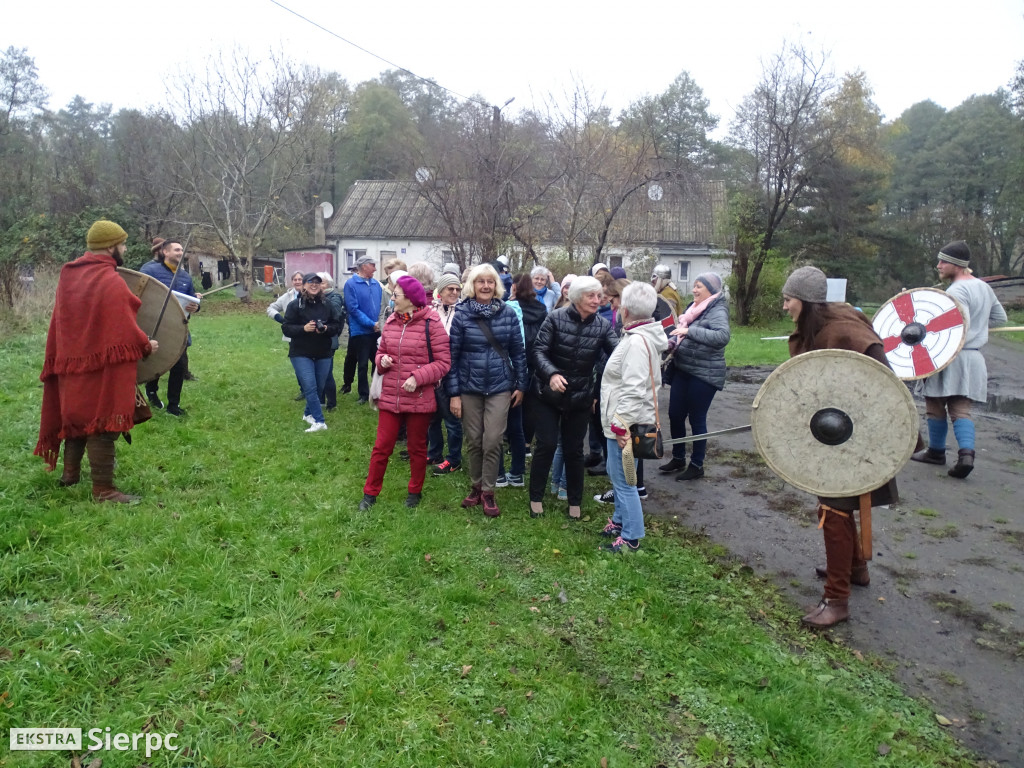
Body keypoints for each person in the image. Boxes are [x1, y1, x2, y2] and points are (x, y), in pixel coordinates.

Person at [782, 265, 897, 627]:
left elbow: (883, 385)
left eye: (788, 300)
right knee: (839, 504)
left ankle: (837, 600)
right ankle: (855, 568)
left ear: (806, 301)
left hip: (861, 438)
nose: (785, 307)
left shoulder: (844, 330)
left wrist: (874, 434)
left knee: (834, 510)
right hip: (835, 435)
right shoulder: (823, 326)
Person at [34, 220, 159, 503]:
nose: (125, 248)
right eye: (123, 244)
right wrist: (145, 346)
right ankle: (104, 490)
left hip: (70, 362)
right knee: (103, 422)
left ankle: (70, 475)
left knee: (76, 417)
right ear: (110, 247)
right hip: (100, 367)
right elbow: (123, 326)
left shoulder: (70, 275)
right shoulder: (109, 280)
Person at [912, 241, 1007, 478]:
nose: (939, 266)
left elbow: (955, 325)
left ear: (956, 264)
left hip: (950, 355)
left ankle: (935, 453)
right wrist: (978, 328)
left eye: (943, 261)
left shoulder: (956, 291)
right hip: (973, 358)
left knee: (935, 405)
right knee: (961, 409)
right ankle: (966, 455)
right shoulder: (983, 287)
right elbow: (1000, 318)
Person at [528, 276, 618, 520]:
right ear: (577, 297)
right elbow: (538, 351)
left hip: (579, 396)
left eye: (599, 296)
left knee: (574, 450)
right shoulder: (555, 318)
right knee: (546, 445)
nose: (597, 300)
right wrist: (552, 374)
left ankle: (575, 501)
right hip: (547, 394)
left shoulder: (602, 325)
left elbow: (618, 353)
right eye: (591, 296)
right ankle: (535, 497)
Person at [359, 276, 451, 510]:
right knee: (382, 447)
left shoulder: (432, 322)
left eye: (396, 295)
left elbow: (443, 363)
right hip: (391, 395)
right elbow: (380, 352)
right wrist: (382, 360)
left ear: (410, 298)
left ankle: (415, 491)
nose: (392, 299)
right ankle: (369, 494)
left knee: (417, 448)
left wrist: (418, 377)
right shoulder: (391, 321)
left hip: (419, 398)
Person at [445, 264, 528, 518]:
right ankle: (476, 486)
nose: (485, 286)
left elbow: (518, 352)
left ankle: (489, 492)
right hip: (469, 387)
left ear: (496, 286)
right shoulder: (461, 315)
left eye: (490, 282)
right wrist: (454, 394)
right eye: (480, 281)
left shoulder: (508, 314)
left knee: (492, 440)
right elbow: (452, 357)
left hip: (500, 387)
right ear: (472, 285)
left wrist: (521, 385)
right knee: (474, 440)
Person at [598, 282, 668, 553]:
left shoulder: (637, 343)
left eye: (616, 304)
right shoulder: (637, 336)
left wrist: (620, 423)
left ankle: (631, 538)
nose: (613, 307)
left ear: (625, 311)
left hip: (625, 424)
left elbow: (635, 387)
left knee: (625, 482)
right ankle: (618, 521)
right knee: (617, 475)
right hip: (622, 420)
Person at [659, 272, 730, 481]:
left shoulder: (717, 309)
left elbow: (722, 336)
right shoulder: (695, 308)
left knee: (697, 419)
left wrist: (689, 332)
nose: (694, 290)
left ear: (711, 289)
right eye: (694, 286)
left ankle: (697, 464)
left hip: (704, 374)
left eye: (699, 286)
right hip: (684, 369)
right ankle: (679, 458)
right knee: (675, 414)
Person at [498, 273, 548, 487]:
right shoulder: (542, 309)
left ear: (515, 287)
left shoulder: (508, 309)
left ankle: (499, 472)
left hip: (508, 366)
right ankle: (517, 469)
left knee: (498, 425)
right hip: (529, 365)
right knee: (519, 420)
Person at [141, 238, 200, 417]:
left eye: (182, 250)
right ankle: (151, 393)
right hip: (154, 325)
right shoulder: (149, 270)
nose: (180, 253)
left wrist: (196, 306)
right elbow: (139, 294)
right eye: (176, 250)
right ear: (165, 252)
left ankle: (173, 405)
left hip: (178, 328)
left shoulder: (185, 276)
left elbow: (193, 301)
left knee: (179, 364)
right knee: (156, 361)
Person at [283, 273, 341, 432]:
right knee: (310, 386)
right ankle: (319, 421)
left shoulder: (327, 304)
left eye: (317, 282)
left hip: (323, 352)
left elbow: (337, 325)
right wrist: (303, 328)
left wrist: (327, 329)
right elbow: (286, 328)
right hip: (301, 353)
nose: (314, 285)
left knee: (319, 387)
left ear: (322, 285)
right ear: (304, 285)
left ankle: (308, 414)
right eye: (310, 282)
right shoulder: (295, 305)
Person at [428, 272, 464, 475]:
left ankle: (454, 459)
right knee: (432, 416)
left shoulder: (462, 312)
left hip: (451, 371)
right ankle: (435, 452)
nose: (455, 292)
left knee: (451, 418)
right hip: (432, 370)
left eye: (457, 289)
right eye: (450, 288)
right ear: (440, 291)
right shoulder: (430, 311)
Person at [342, 256, 383, 403]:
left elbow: (381, 305)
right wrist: (371, 323)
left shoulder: (376, 284)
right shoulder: (351, 284)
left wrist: (379, 323)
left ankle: (376, 390)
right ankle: (363, 394)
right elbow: (353, 309)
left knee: (378, 362)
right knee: (363, 363)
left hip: (376, 330)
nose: (375, 268)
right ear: (364, 266)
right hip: (360, 331)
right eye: (373, 265)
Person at [319, 272, 346, 412]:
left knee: (326, 371)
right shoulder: (313, 297)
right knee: (318, 370)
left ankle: (332, 403)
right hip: (316, 339)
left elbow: (334, 313)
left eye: (322, 283)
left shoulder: (335, 297)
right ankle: (321, 401)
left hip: (330, 338)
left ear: (328, 284)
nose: (319, 286)